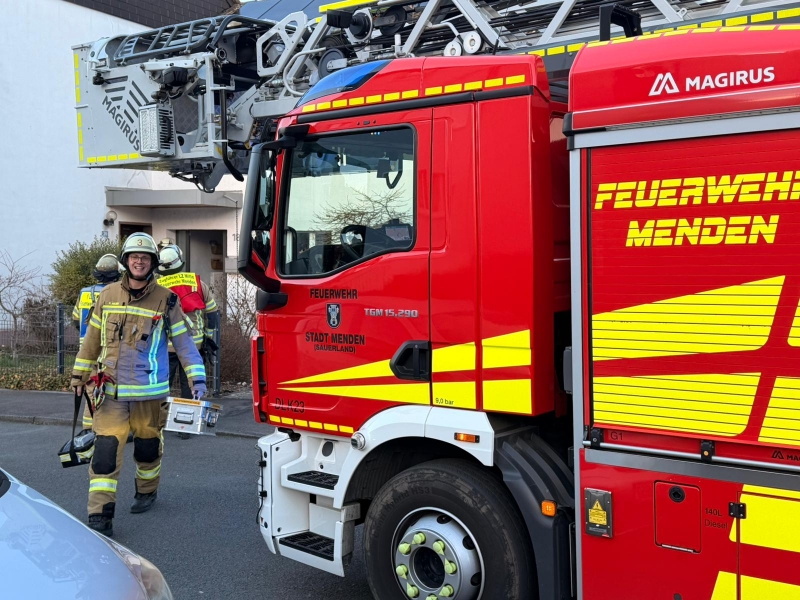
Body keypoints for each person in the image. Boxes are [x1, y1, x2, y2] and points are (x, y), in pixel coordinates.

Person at [71, 233, 206, 537]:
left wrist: (197, 378)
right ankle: (100, 515)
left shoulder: (167, 299)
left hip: (149, 394)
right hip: (111, 392)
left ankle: (146, 491)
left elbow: (184, 343)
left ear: (153, 263)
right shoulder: (107, 295)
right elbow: (91, 340)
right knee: (105, 453)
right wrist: (79, 376)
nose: (139, 262)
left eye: (145, 258)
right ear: (126, 261)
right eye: (134, 257)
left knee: (147, 448)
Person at [156, 243, 219, 400]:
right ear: (180, 262)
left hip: (165, 346)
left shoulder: (156, 287)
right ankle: (188, 412)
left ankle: (160, 411)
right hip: (193, 345)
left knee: (161, 386)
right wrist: (208, 336)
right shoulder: (197, 284)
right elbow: (212, 313)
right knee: (191, 387)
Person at [71, 254, 123, 430]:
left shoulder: (85, 292)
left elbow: (76, 319)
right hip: (109, 350)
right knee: (112, 390)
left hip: (86, 351)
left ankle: (89, 429)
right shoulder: (118, 292)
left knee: (90, 389)